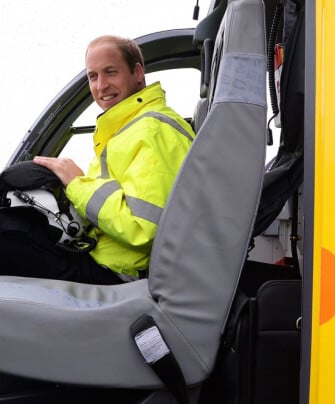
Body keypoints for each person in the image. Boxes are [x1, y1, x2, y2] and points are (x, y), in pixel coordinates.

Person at [0, 35, 194, 284]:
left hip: (114, 273)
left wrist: (77, 182)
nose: (101, 86)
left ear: (137, 72)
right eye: (93, 76)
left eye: (110, 72)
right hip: (98, 253)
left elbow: (142, 228)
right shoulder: (129, 128)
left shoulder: (152, 130)